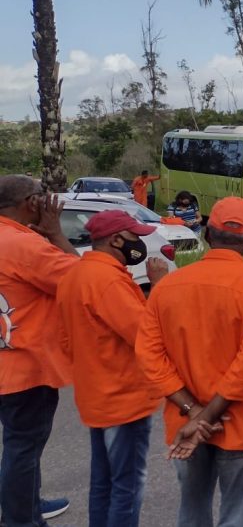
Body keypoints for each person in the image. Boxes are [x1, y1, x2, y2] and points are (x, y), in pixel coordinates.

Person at [136, 197, 243, 527]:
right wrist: (207, 416)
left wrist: (193, 413)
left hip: (183, 426)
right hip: (238, 424)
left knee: (192, 510)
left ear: (206, 234)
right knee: (239, 513)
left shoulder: (166, 287)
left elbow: (149, 356)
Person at [57, 210, 169, 527]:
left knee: (104, 482)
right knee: (127, 486)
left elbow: (66, 342)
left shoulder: (76, 276)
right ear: (117, 239)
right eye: (135, 236)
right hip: (123, 400)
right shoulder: (108, 281)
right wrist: (159, 286)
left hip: (96, 396)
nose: (140, 244)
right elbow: (144, 335)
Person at [0, 176, 80, 526]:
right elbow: (87, 283)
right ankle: (21, 519)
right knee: (23, 447)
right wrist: (57, 235)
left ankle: (27, 504)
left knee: (18, 448)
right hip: (26, 366)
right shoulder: (25, 245)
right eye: (43, 198)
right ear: (31, 203)